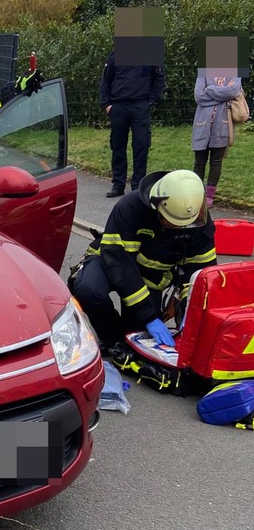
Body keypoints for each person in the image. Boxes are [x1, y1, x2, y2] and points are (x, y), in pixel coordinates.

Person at [68, 169, 216, 354]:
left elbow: (201, 271)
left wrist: (191, 311)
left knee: (138, 339)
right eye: (173, 222)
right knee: (89, 290)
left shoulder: (195, 216)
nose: (181, 227)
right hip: (110, 260)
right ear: (158, 207)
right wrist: (148, 316)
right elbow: (119, 262)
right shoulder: (131, 207)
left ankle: (126, 339)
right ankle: (113, 339)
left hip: (152, 277)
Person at [99, 50, 165, 197]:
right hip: (118, 106)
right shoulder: (115, 55)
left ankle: (138, 186)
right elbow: (106, 80)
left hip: (140, 106)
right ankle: (118, 184)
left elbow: (159, 79)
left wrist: (151, 101)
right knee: (117, 146)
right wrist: (107, 105)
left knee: (141, 146)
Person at [192, 72, 241, 207]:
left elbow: (233, 91)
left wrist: (210, 90)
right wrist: (222, 96)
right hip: (202, 124)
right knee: (199, 162)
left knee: (216, 162)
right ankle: (196, 193)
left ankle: (209, 195)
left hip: (223, 125)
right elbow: (198, 96)